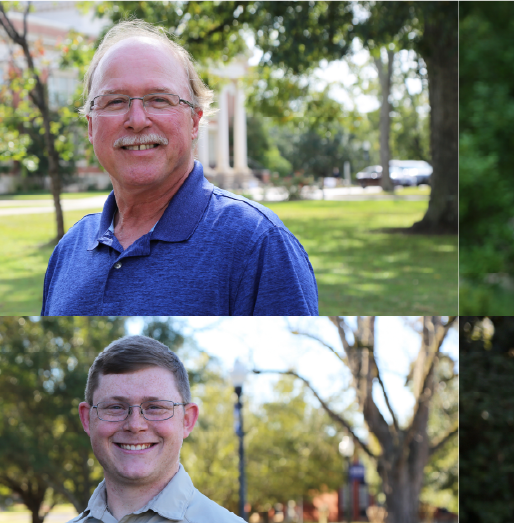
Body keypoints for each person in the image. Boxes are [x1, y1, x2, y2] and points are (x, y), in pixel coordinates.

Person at [42, 20, 318, 315]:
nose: (137, 120)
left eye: (159, 99)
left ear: (195, 121)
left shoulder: (260, 244)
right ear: (91, 125)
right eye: (115, 101)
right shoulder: (69, 249)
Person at [30, 335, 299, 523]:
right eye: (115, 407)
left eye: (156, 407)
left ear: (187, 420)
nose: (135, 424)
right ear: (87, 419)